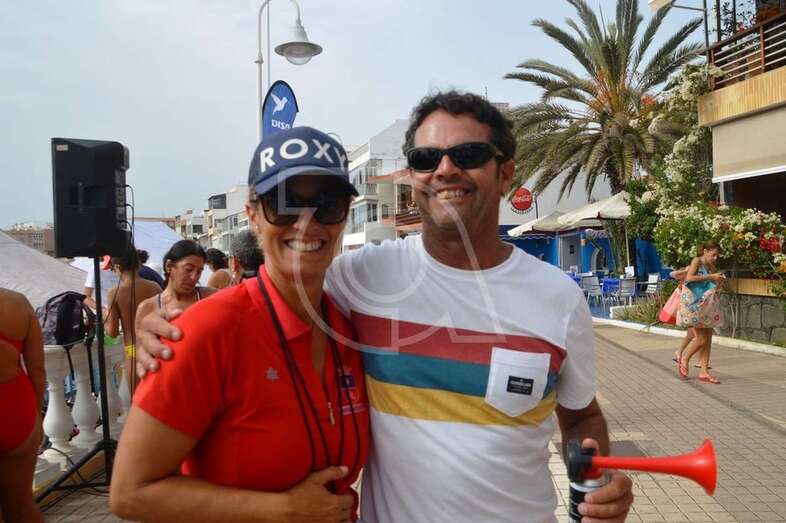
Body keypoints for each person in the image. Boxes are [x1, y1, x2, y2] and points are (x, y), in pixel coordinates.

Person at [135, 92, 633, 522]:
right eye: (426, 158)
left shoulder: (558, 297)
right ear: (413, 176)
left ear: (505, 173)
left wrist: (596, 483)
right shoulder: (362, 276)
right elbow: (269, 295)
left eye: (468, 154)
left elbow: (581, 417)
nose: (445, 169)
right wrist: (166, 322)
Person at [110, 127, 370, 523]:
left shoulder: (350, 325)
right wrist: (281, 510)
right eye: (283, 204)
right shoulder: (207, 330)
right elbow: (130, 493)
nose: (306, 222)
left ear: (345, 215)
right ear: (253, 215)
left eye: (328, 204)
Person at [0, 288, 45, 523]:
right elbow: (37, 368)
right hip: (18, 410)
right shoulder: (17, 302)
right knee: (21, 506)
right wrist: (36, 416)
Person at [105, 246, 162, 394]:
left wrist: (103, 319)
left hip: (133, 351)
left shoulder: (114, 293)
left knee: (138, 398)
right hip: (156, 348)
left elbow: (112, 332)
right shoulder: (155, 287)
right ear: (138, 264)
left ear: (118, 267)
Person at [135, 240, 217, 326]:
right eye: (188, 269)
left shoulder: (210, 297)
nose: (194, 277)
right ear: (169, 266)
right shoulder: (148, 308)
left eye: (199, 272)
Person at [676, 240, 725, 384]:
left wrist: (719, 280)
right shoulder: (697, 261)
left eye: (717, 255)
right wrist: (711, 277)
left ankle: (704, 372)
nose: (715, 258)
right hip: (694, 304)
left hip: (705, 306)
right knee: (701, 339)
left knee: (708, 339)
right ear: (705, 251)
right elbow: (689, 278)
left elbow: (711, 285)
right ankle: (684, 358)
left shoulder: (711, 266)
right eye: (713, 254)